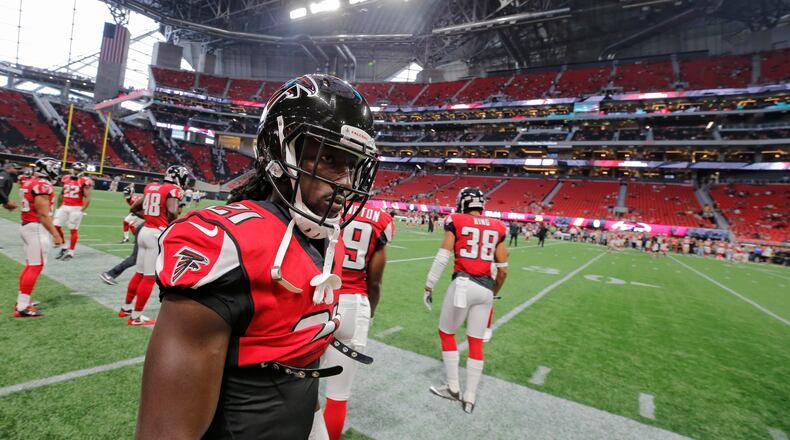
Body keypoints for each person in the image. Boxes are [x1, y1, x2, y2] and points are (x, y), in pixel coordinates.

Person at [135, 74, 379, 439]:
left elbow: (300, 363)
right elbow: (165, 433)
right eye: (328, 158)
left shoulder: (328, 240)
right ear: (278, 151)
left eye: (352, 164)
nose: (345, 181)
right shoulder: (228, 244)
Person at [423, 187, 508, 414]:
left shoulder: (457, 220)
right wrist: (493, 290)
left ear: (463, 203)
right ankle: (470, 397)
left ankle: (453, 388)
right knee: (476, 341)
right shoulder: (498, 226)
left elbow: (442, 257)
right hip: (486, 289)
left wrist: (429, 284)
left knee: (447, 333)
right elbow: (503, 270)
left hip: (463, 284)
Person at [319, 203, 394, 440]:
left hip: (321, 297)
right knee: (337, 395)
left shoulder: (324, 203)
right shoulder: (379, 219)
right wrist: (369, 315)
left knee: (300, 381)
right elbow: (375, 283)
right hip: (354, 302)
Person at [120, 165, 189, 325]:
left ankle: (126, 308)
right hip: (156, 234)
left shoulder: (152, 187)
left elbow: (134, 207)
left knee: (139, 273)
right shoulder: (173, 190)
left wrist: (152, 217)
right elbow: (172, 211)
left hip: (145, 231)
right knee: (149, 278)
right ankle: (136, 317)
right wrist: (174, 228)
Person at [14, 158, 64, 317]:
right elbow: (42, 214)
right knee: (35, 266)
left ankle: (22, 300)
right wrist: (56, 235)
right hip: (36, 227)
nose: (57, 172)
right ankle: (22, 307)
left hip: (28, 226)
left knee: (31, 265)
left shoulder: (29, 181)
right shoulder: (42, 185)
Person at [100, 185, 144, 285]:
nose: (126, 196)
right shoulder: (133, 199)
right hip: (148, 225)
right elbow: (137, 210)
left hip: (146, 224)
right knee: (137, 257)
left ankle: (111, 274)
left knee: (138, 257)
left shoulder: (135, 199)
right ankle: (111, 274)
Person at [53, 162, 93, 261]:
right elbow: (62, 193)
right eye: (75, 169)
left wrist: (82, 209)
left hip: (76, 208)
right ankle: (64, 246)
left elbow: (87, 197)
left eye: (78, 170)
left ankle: (71, 251)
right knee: (56, 226)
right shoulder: (66, 178)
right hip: (65, 206)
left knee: (73, 230)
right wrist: (58, 206)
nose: (76, 171)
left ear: (82, 171)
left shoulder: (84, 180)